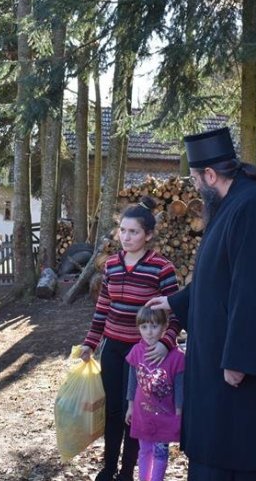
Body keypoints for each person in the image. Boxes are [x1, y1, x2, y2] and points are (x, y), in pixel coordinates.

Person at [147, 127, 256, 481]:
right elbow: (219, 277)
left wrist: (240, 359)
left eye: (195, 179)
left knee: (250, 452)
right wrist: (176, 301)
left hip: (244, 376)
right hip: (220, 371)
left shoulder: (251, 207)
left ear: (210, 175)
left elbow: (254, 288)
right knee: (223, 446)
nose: (195, 187)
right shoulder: (231, 205)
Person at [80, 195, 181, 481]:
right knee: (113, 410)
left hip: (144, 354)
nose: (126, 237)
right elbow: (103, 308)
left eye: (133, 232)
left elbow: (177, 313)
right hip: (112, 349)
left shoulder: (162, 267)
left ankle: (127, 472)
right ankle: (109, 467)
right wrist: (90, 343)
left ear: (148, 235)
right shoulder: (112, 265)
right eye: (122, 230)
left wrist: (165, 343)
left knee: (135, 412)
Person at [125, 306, 185, 481]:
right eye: (144, 327)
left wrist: (179, 414)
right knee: (144, 450)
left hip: (166, 417)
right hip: (142, 414)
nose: (149, 332)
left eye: (154, 326)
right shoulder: (136, 351)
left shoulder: (177, 357)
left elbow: (180, 388)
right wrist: (130, 407)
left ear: (165, 326)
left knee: (160, 453)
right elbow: (132, 382)